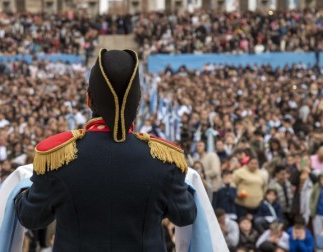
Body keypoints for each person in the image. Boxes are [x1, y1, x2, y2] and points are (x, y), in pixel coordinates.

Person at [15, 49, 196, 251]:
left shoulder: (57, 158)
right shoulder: (164, 161)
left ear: (88, 100)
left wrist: (20, 191)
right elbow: (185, 214)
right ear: (137, 104)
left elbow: (30, 217)